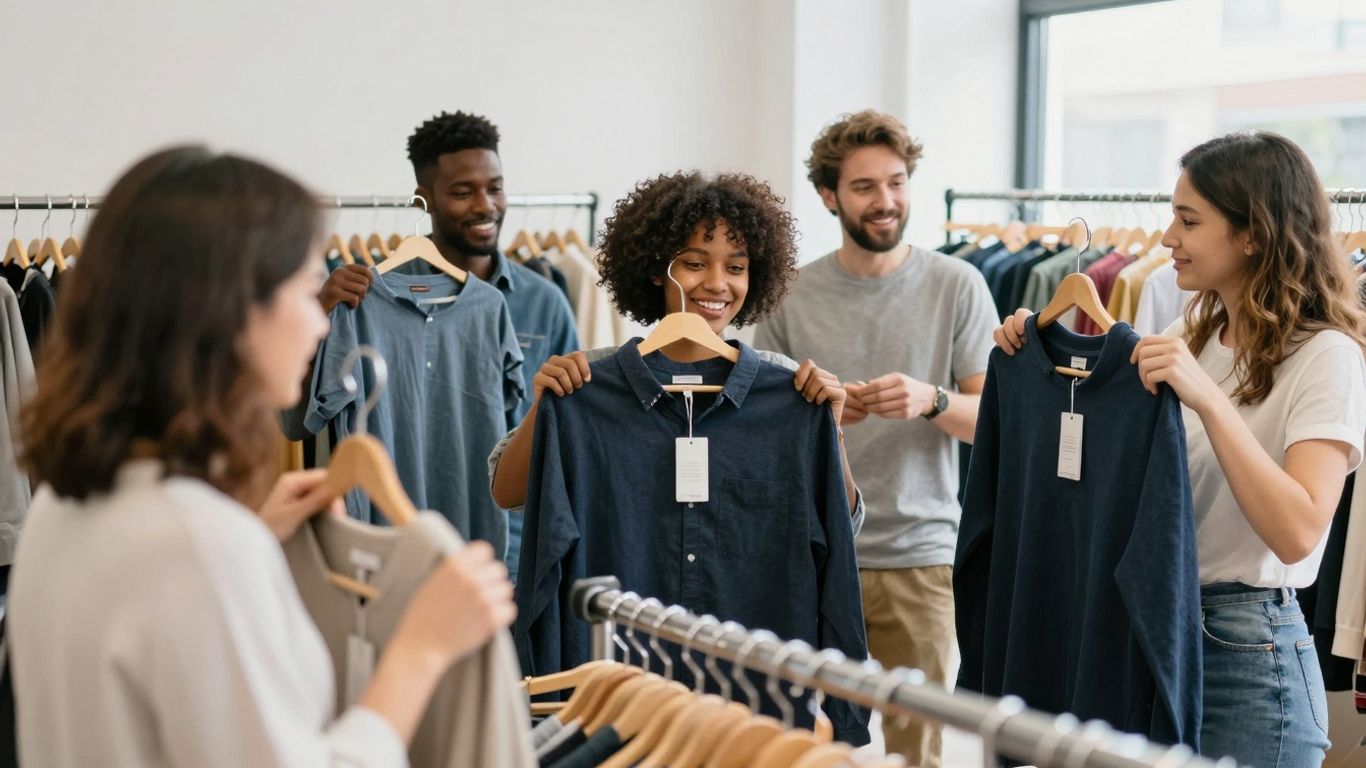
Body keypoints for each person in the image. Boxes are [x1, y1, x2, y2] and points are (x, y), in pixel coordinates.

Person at [7, 146, 517, 767]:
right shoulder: (201, 545)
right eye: (305, 292)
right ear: (231, 312)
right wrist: (423, 649)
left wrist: (248, 535)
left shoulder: (65, 507)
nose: (320, 325)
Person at [993, 131, 1366, 767]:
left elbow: (1300, 531)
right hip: (1152, 623)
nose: (1167, 238)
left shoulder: (1325, 356)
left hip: (1246, 656)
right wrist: (1042, 361)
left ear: (1253, 233)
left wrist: (1210, 402)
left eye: (1188, 220)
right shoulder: (1189, 334)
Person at [753, 110, 998, 767]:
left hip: (920, 558)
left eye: (896, 182)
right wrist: (816, 420)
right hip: (811, 554)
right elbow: (756, 433)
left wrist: (932, 399)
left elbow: (998, 421)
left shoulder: (959, 285)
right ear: (830, 196)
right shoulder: (786, 296)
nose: (886, 201)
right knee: (804, 743)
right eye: (864, 187)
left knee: (920, 749)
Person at [487, 170, 862, 532]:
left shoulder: (787, 385)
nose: (717, 283)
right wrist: (544, 407)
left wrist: (832, 432)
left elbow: (844, 523)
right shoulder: (589, 377)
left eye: (735, 267)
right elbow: (506, 494)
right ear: (656, 269)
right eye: (695, 263)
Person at [315, 110, 579, 573]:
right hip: (388, 554)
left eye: (495, 187)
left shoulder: (545, 302)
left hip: (509, 554)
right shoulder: (362, 298)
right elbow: (299, 425)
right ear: (425, 200)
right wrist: (319, 322)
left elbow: (570, 436)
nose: (485, 205)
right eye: (463, 192)